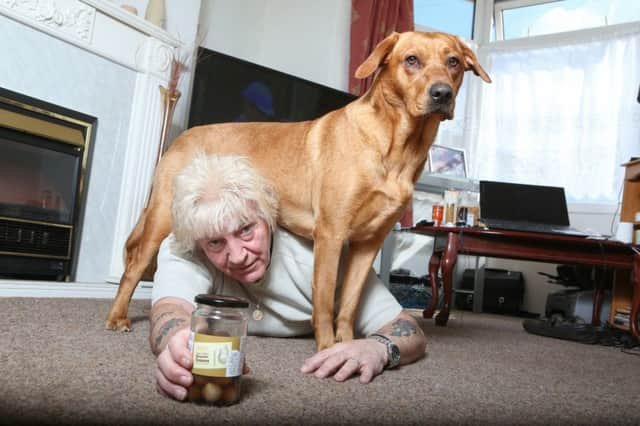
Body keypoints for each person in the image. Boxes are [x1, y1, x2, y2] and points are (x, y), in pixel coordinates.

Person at [150, 153, 427, 401]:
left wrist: (378, 348)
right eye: (215, 243)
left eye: (246, 230)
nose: (237, 256)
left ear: (268, 216)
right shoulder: (184, 244)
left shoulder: (320, 257)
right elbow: (170, 310)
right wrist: (178, 341)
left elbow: (407, 328)